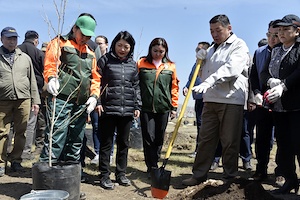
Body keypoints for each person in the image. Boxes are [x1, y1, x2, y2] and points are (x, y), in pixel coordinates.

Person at [182, 14, 250, 186]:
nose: (214, 34)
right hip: (210, 100)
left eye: (218, 30)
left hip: (230, 100)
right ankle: (198, 175)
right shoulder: (212, 49)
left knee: (229, 140)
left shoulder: (238, 46)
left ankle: (229, 177)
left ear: (229, 28)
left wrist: (209, 81)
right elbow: (203, 73)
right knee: (205, 139)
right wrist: (201, 62)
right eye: (211, 31)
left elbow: (231, 69)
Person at [39, 14, 101, 165]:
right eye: (83, 34)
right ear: (75, 28)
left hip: (80, 103)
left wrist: (94, 96)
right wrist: (52, 78)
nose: (85, 39)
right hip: (61, 99)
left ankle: (70, 174)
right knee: (56, 136)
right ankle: (46, 173)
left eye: (88, 36)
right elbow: (50, 63)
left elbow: (95, 78)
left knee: (76, 140)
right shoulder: (59, 43)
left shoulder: (90, 53)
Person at [261, 14, 300, 194]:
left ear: (297, 31)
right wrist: (270, 82)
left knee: (298, 143)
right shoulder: (276, 50)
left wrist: (285, 85)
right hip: (279, 107)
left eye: (286, 29)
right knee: (284, 145)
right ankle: (290, 179)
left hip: (296, 105)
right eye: (280, 30)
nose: (282, 33)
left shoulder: (299, 49)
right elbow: (263, 72)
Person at [96, 31, 141, 190]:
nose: (122, 49)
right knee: (106, 144)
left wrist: (137, 106)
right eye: (119, 45)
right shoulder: (104, 61)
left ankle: (121, 174)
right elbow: (97, 82)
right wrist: (98, 101)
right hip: (107, 109)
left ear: (131, 48)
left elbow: (136, 87)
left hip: (127, 110)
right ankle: (104, 175)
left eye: (126, 47)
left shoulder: (132, 64)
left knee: (124, 143)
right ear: (114, 44)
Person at [0, 27, 40, 176]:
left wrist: (35, 100)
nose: (12, 41)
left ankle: (16, 160)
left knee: (21, 131)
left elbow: (32, 81)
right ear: (1, 39)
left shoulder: (24, 57)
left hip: (23, 99)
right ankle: (0, 163)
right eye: (9, 38)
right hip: (2, 100)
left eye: (14, 38)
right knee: (2, 132)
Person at [137, 37, 179, 179]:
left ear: (165, 51)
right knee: (148, 137)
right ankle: (152, 166)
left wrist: (174, 106)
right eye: (155, 51)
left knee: (159, 137)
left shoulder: (171, 66)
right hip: (146, 107)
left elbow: (174, 87)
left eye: (161, 51)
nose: (158, 54)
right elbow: (136, 84)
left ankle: (156, 160)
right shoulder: (141, 63)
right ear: (150, 50)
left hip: (163, 108)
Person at [250, 19, 281, 182]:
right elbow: (254, 75)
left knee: (282, 139)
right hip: (262, 101)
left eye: (276, 35)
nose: (272, 39)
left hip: (282, 101)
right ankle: (260, 169)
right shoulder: (259, 52)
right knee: (262, 137)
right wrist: (256, 92)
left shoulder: (286, 51)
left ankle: (281, 171)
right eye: (269, 34)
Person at [18, 30, 45, 160]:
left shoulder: (16, 50)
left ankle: (10, 151)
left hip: (15, 90)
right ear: (36, 39)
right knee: (30, 123)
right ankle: (26, 151)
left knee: (12, 125)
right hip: (33, 92)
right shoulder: (38, 52)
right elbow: (44, 70)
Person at [183, 41, 210, 158]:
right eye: (196, 50)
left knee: (208, 126)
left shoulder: (210, 64)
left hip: (208, 99)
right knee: (199, 124)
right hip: (198, 99)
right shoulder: (196, 64)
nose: (197, 52)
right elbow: (191, 78)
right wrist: (186, 86)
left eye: (200, 50)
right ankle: (198, 150)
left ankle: (209, 152)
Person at [89, 35, 109, 165]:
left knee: (109, 129)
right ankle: (97, 152)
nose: (98, 46)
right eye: (96, 43)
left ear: (106, 45)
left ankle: (109, 153)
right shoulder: (92, 59)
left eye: (100, 43)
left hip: (109, 98)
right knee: (96, 126)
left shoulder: (110, 60)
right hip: (95, 97)